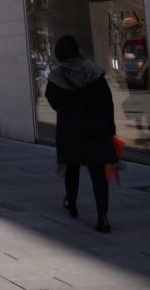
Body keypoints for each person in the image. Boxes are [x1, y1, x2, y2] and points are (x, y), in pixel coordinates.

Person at [46, 35, 116, 234]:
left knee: (71, 168)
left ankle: (72, 202)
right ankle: (103, 216)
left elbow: (53, 100)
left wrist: (68, 107)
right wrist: (110, 127)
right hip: (95, 128)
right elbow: (107, 102)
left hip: (70, 128)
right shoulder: (94, 72)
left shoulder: (57, 75)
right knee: (98, 175)